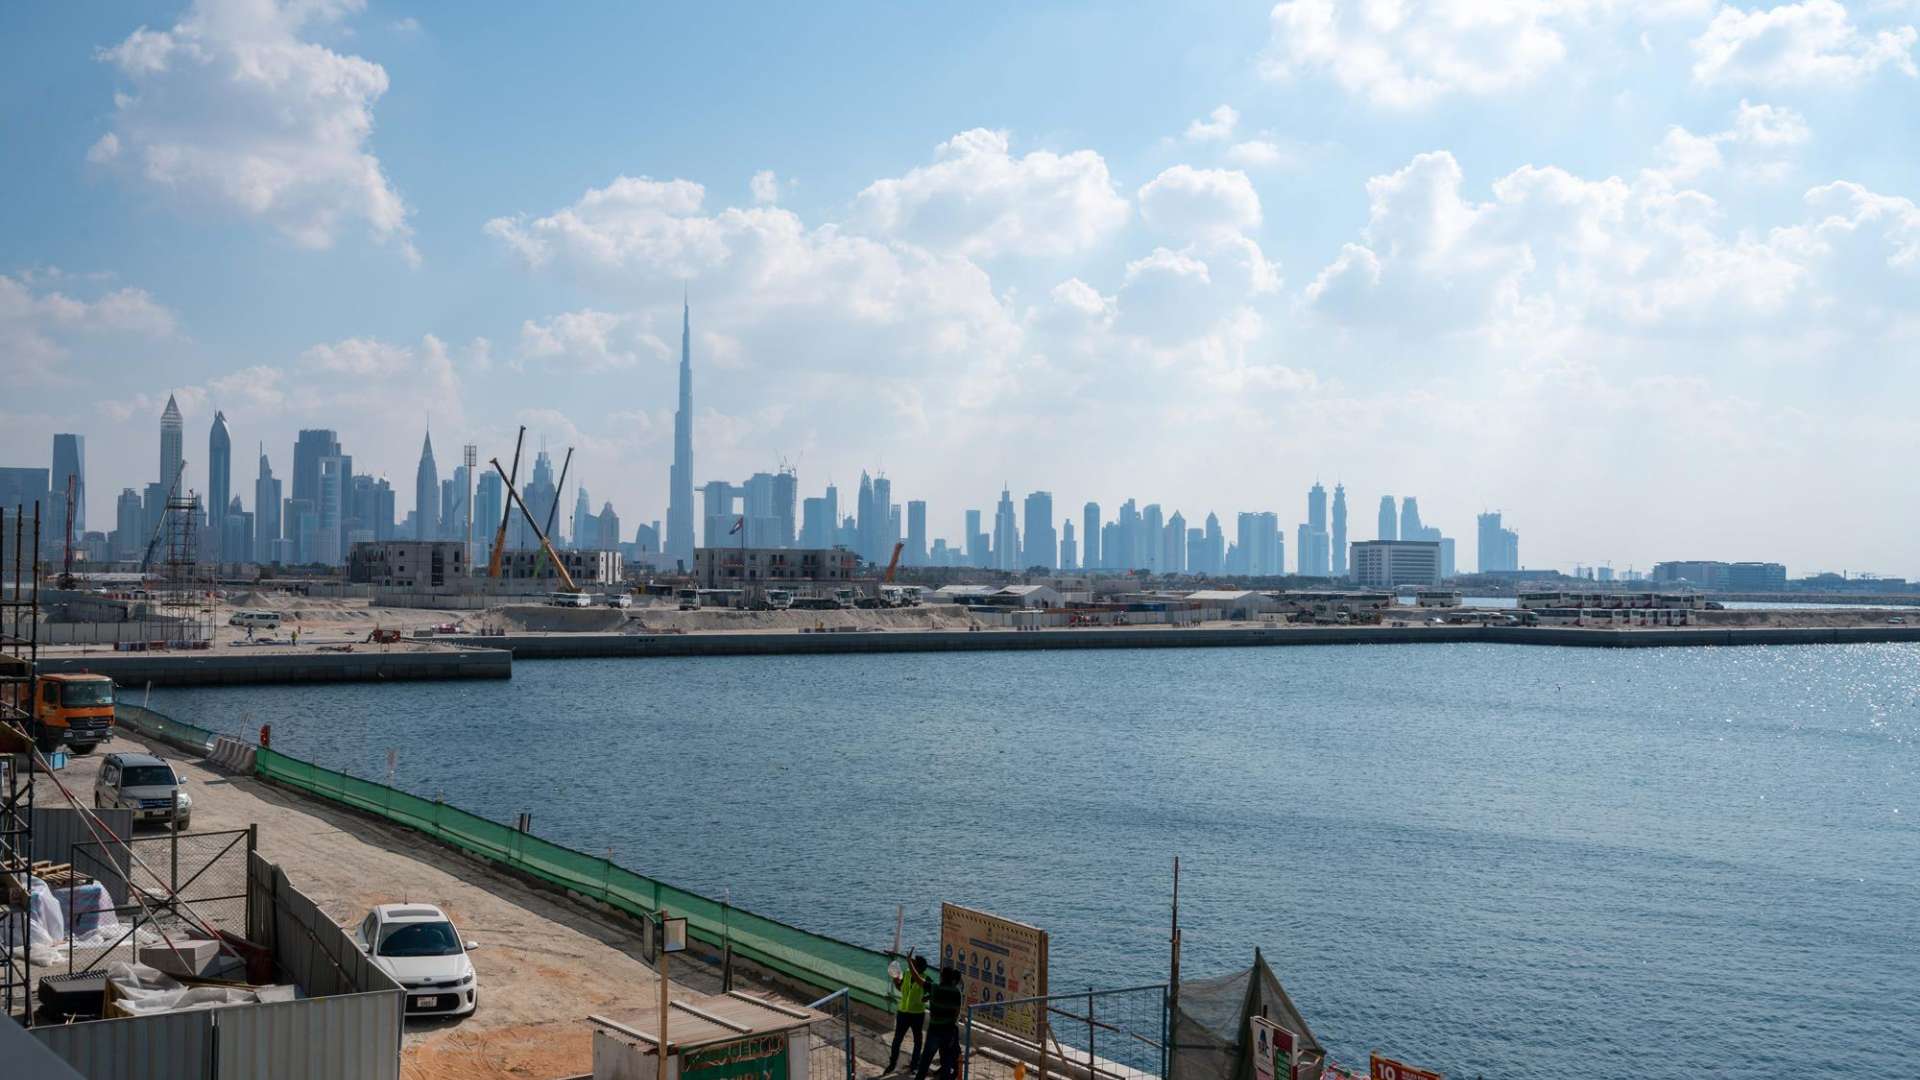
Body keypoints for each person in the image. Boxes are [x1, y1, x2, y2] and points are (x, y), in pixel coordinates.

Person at [915, 965, 963, 1080]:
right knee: (946, 1063)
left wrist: (909, 962)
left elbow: (918, 979)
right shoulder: (957, 993)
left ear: (942, 976)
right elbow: (957, 1013)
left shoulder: (935, 988)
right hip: (948, 1032)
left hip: (934, 1031)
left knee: (925, 1062)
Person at [886, 954, 929, 1074]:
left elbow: (932, 992)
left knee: (917, 1041)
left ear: (918, 967)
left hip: (917, 1014)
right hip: (903, 1012)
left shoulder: (926, 978)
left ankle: (914, 1065)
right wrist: (895, 980)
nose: (911, 965)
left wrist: (925, 998)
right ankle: (892, 1063)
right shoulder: (906, 973)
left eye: (914, 963)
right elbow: (900, 988)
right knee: (897, 1040)